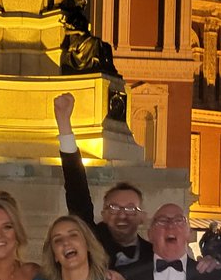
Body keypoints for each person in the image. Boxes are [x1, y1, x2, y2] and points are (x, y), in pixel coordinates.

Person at [54, 92, 153, 268]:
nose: (122, 215)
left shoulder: (155, 255)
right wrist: (64, 123)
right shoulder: (90, 245)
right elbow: (77, 191)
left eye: (131, 208)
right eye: (114, 208)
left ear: (142, 216)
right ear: (104, 214)